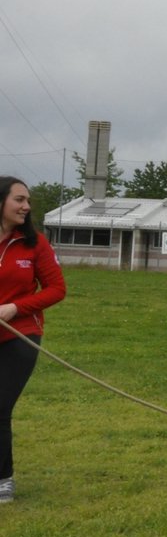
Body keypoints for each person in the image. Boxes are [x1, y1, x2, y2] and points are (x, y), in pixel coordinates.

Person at [0, 177, 67, 504]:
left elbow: (57, 289)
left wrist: (16, 308)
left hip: (21, 334)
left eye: (28, 200)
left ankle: (2, 481)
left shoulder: (35, 243)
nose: (26, 206)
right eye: (19, 200)